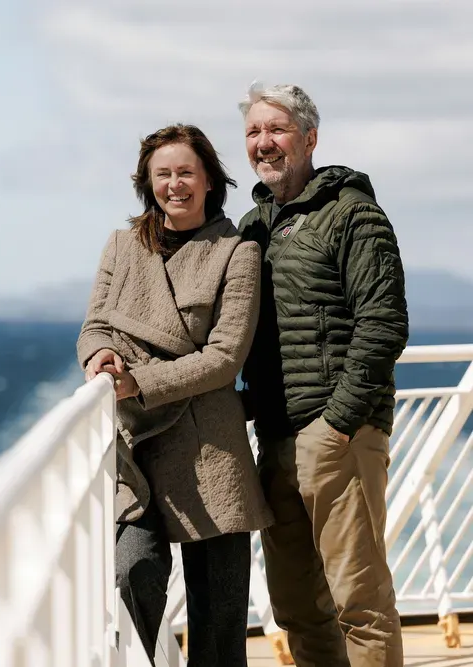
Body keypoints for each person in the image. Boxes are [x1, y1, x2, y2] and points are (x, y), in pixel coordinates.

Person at [76, 123, 274, 665]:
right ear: (147, 183)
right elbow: (93, 326)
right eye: (162, 174)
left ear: (210, 179)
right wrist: (99, 357)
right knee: (132, 573)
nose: (175, 184)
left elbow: (224, 357)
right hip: (133, 446)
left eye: (186, 172)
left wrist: (139, 381)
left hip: (208, 447)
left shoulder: (237, 253)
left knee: (218, 624)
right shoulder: (122, 244)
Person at [236, 82, 409, 667]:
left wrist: (338, 422)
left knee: (358, 601)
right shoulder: (252, 227)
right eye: (254, 132)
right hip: (276, 437)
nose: (264, 143)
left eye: (276, 129)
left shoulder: (354, 213)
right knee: (296, 606)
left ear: (309, 137)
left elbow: (383, 324)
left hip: (337, 433)